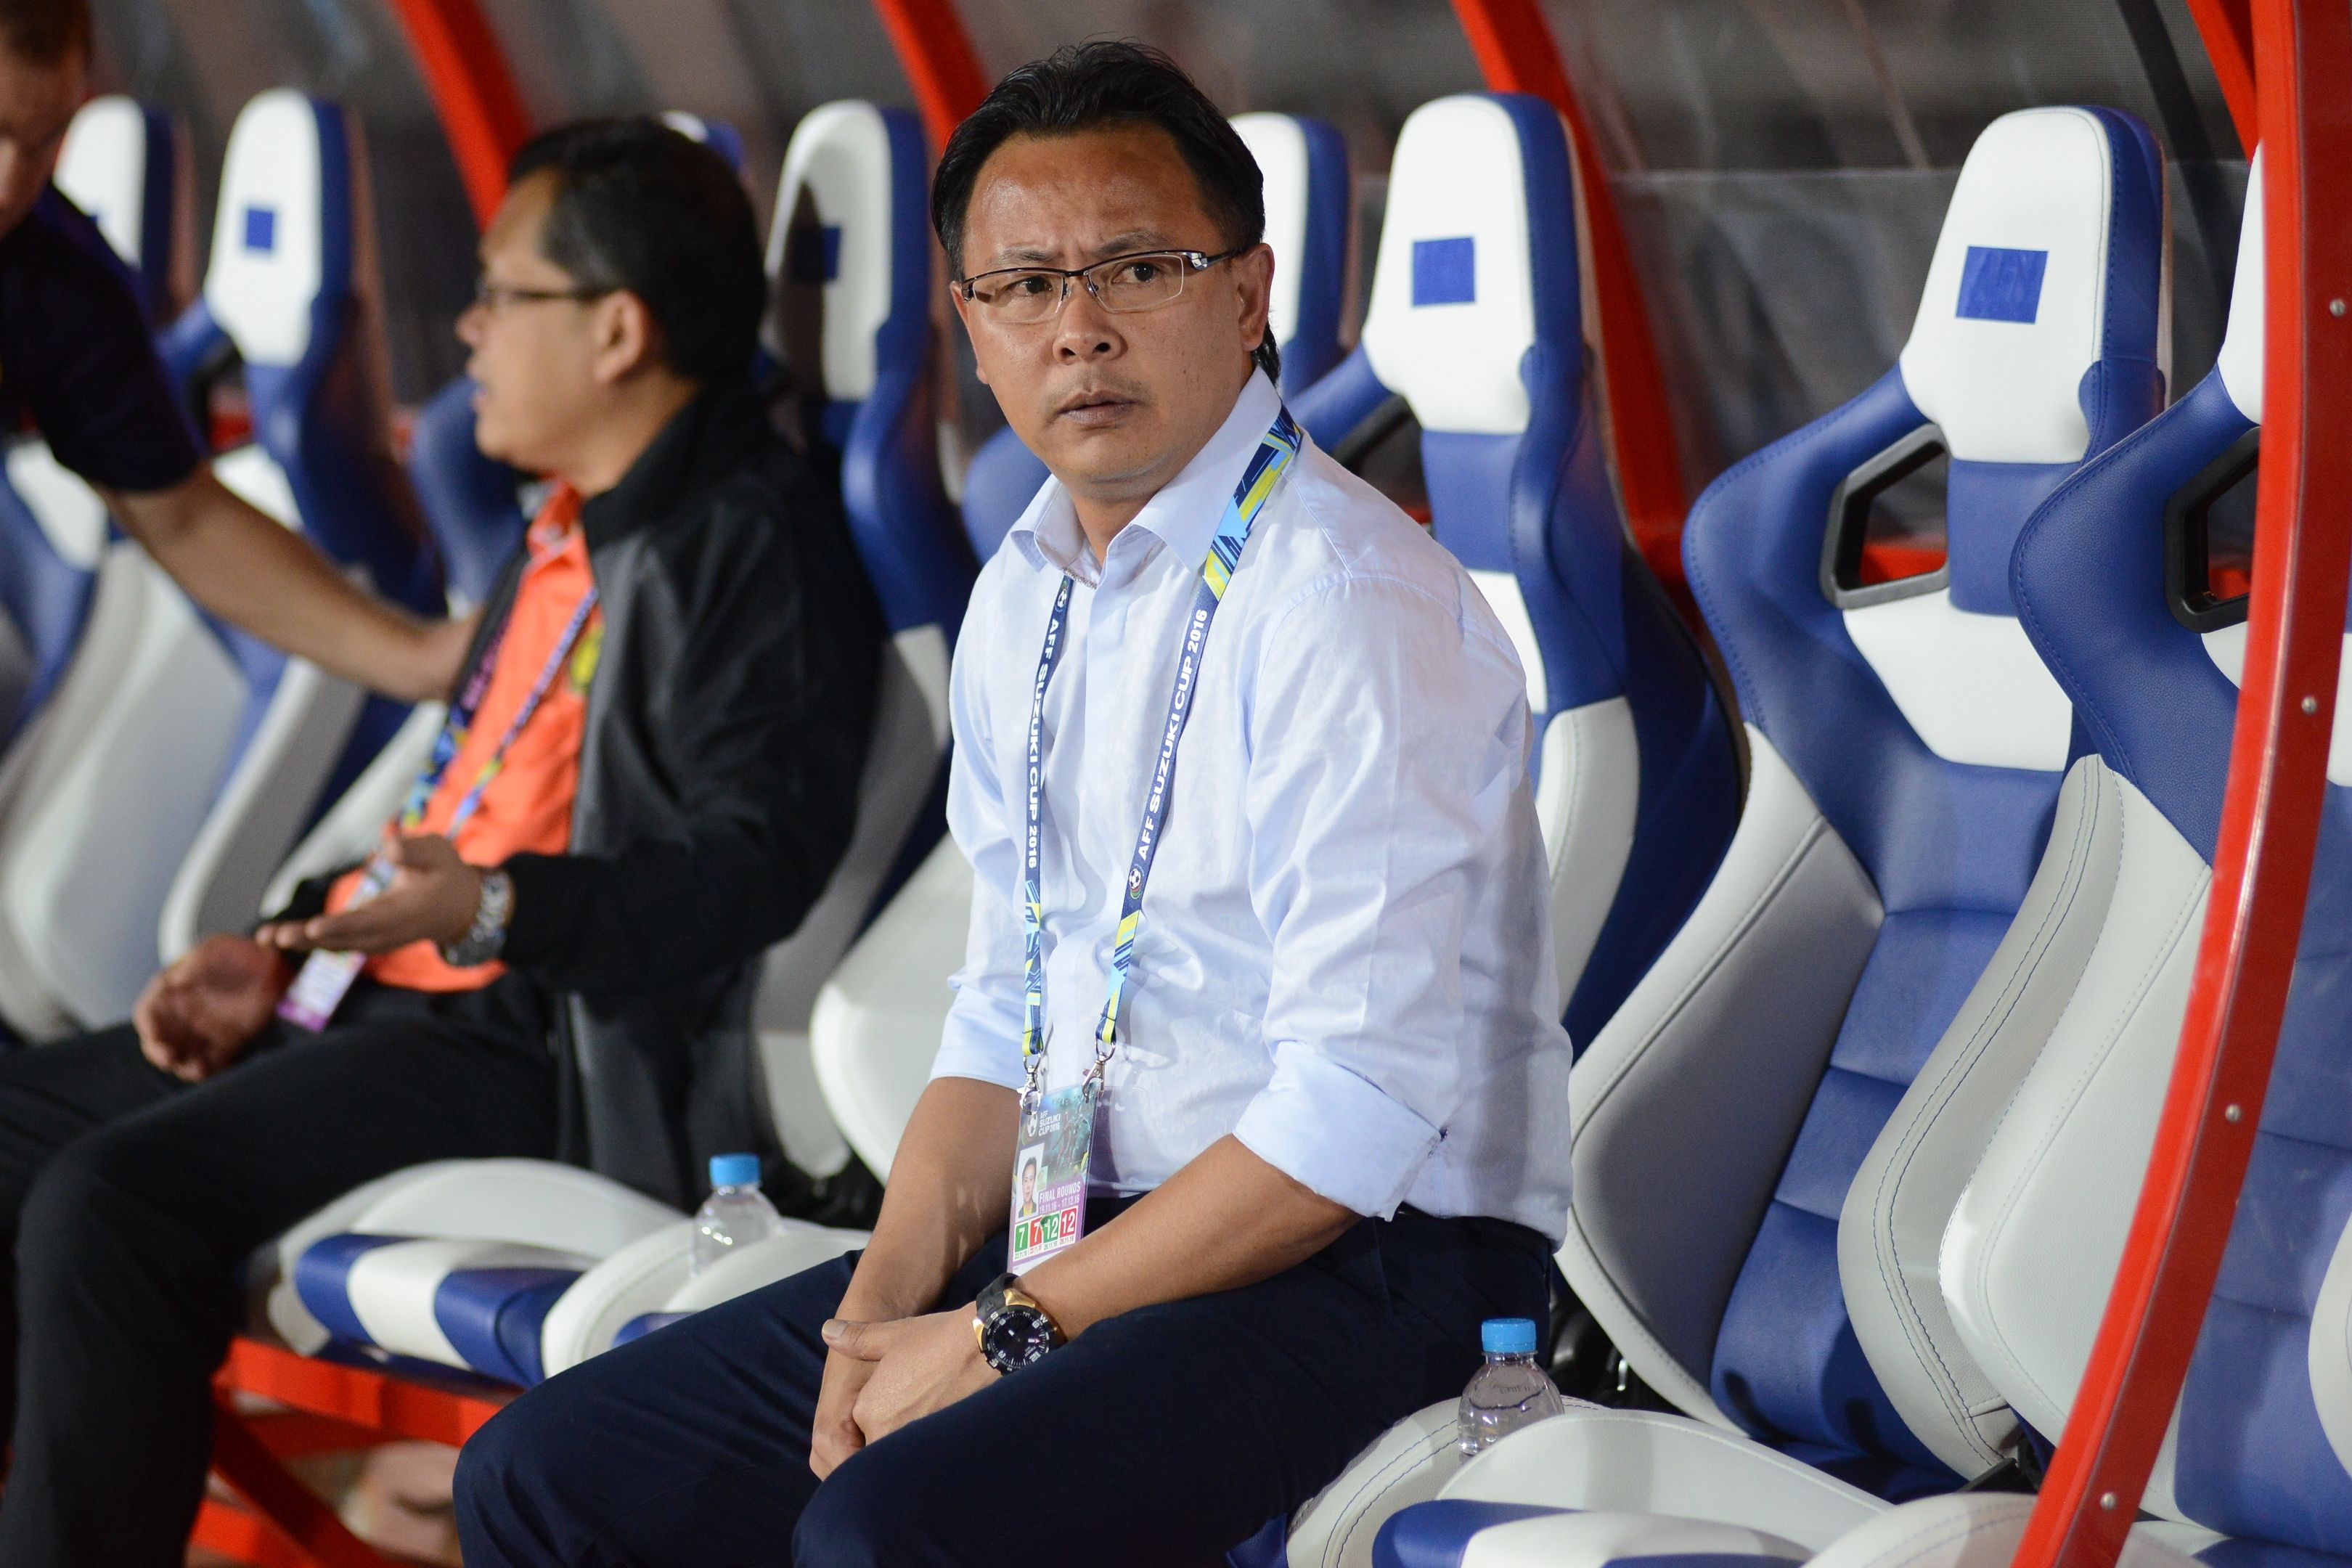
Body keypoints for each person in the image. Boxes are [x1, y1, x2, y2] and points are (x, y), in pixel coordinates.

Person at [456, 41, 1573, 1568]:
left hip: (1367, 1265)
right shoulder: (1031, 591)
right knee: (549, 1474)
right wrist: (879, 1308)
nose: (1082, 329)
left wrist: (995, 1338)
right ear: (970, 331)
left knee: (884, 1533)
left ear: (1249, 297)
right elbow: (1003, 1014)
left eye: (1138, 268)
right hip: (1081, 1227)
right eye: (1025, 288)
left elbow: (1345, 1126)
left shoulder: (1348, 602)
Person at [0, 112, 882, 1567]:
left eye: (501, 293)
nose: (465, 329)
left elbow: (745, 864)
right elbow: (458, 815)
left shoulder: (747, 547)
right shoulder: (566, 527)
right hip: (380, 1002)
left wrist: (494, 914)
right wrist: (279, 952)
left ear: (616, 331)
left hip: (524, 1043)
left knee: (115, 1207)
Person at [0, 0, 469, 703]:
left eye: (42, 143)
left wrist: (417, 658)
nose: (9, 185)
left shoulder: (59, 280)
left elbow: (184, 519)